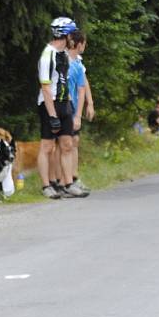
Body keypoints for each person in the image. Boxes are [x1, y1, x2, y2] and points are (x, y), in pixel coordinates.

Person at [37, 17, 88, 199]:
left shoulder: (65, 54)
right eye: (72, 34)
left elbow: (70, 80)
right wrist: (52, 115)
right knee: (48, 145)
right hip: (49, 104)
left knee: (67, 144)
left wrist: (72, 110)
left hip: (65, 103)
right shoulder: (47, 55)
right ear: (64, 35)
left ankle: (68, 183)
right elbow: (45, 86)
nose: (74, 38)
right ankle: (46, 186)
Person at [67, 30, 91, 195]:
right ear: (78, 43)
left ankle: (74, 177)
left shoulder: (78, 62)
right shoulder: (64, 60)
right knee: (65, 144)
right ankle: (65, 180)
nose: (85, 46)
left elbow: (83, 83)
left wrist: (90, 103)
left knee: (74, 141)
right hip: (66, 107)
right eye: (84, 43)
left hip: (75, 106)